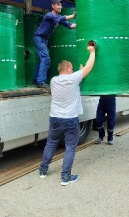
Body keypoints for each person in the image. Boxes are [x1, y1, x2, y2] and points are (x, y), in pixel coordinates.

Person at [39, 44, 96, 186]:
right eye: (71, 68)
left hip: (55, 118)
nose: (72, 70)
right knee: (70, 147)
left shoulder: (53, 80)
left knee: (51, 143)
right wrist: (92, 52)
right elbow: (88, 68)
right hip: (70, 119)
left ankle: (43, 171)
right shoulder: (73, 78)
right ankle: (65, 177)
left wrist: (79, 72)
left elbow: (75, 76)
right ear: (67, 68)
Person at [33, 0, 76, 88]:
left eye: (60, 5)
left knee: (43, 59)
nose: (60, 6)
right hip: (39, 38)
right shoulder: (49, 15)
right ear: (53, 6)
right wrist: (72, 16)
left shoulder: (59, 18)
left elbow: (70, 26)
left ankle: (36, 79)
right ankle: (40, 81)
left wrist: (81, 22)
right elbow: (61, 18)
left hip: (44, 40)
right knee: (45, 58)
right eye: (58, 5)